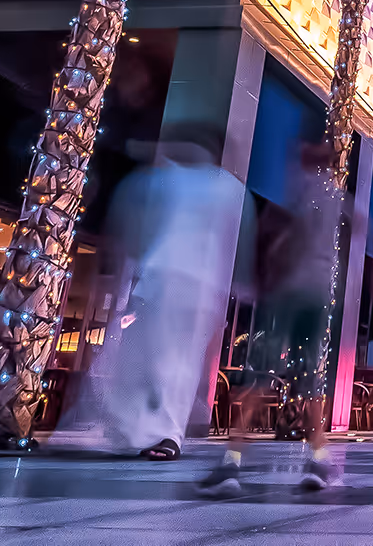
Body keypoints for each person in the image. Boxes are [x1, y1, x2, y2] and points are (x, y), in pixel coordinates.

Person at [81, 122, 252, 460]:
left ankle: (162, 433)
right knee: (166, 360)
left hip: (176, 282)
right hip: (188, 286)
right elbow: (236, 240)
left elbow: (138, 225)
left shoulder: (178, 179)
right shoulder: (224, 186)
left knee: (160, 358)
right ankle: (153, 431)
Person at [200, 141, 343, 496]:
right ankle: (317, 459)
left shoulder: (303, 195)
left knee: (265, 377)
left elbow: (280, 238)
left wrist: (259, 275)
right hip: (309, 297)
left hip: (289, 297)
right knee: (305, 380)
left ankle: (233, 463)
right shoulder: (332, 197)